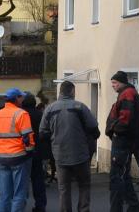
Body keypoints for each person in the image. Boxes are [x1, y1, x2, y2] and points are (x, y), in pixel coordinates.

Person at [40, 81, 100, 212]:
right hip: (81, 155)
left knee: (64, 189)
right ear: (72, 91)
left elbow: (43, 134)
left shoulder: (49, 109)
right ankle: (83, 210)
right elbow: (94, 130)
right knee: (84, 185)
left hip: (60, 155)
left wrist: (54, 141)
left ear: (60, 92)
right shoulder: (80, 107)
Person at [106, 71, 139, 212]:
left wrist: (113, 130)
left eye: (115, 83)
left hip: (122, 141)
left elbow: (125, 120)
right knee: (123, 176)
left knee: (118, 177)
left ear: (122, 82)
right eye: (112, 83)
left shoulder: (127, 94)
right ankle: (133, 207)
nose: (113, 85)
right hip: (125, 141)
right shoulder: (129, 93)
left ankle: (120, 208)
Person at [0, 88, 35, 212]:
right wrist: (30, 151)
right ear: (16, 98)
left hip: (2, 157)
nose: (23, 99)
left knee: (4, 195)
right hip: (19, 156)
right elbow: (28, 137)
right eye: (21, 97)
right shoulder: (21, 113)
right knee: (19, 194)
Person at [22, 93, 47, 212]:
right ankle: (40, 205)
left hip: (22, 151)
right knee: (38, 179)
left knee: (22, 179)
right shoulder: (40, 115)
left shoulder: (21, 115)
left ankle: (20, 204)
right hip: (38, 150)